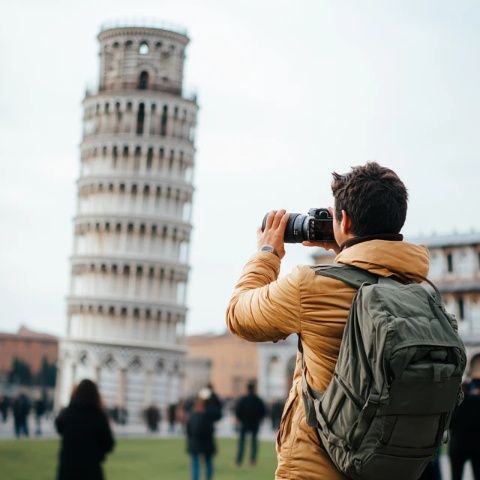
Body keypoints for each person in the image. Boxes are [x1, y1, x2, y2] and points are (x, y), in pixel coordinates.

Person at [226, 162, 429, 479]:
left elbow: (239, 315)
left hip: (318, 470)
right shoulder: (418, 292)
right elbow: (371, 276)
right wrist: (347, 249)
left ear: (344, 220)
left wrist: (267, 252)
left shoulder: (313, 286)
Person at [55, 379, 115, 480]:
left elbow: (59, 427)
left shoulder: (68, 412)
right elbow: (109, 444)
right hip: (91, 468)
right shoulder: (99, 416)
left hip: (68, 468)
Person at [448, 354, 480, 480]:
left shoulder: (459, 392)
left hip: (458, 444)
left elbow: (450, 421)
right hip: (478, 446)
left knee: (455, 476)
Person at [235, 380, 266, 466]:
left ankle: (239, 460)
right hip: (254, 423)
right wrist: (259, 419)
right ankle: (252, 460)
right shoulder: (258, 400)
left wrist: (240, 419)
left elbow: (238, 411)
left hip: (244, 423)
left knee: (241, 443)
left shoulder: (243, 399)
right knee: (254, 443)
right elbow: (263, 412)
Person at [186, 395, 216, 480]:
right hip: (207, 443)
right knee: (208, 462)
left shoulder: (192, 417)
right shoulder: (208, 416)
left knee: (195, 463)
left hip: (195, 443)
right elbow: (211, 430)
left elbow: (189, 431)